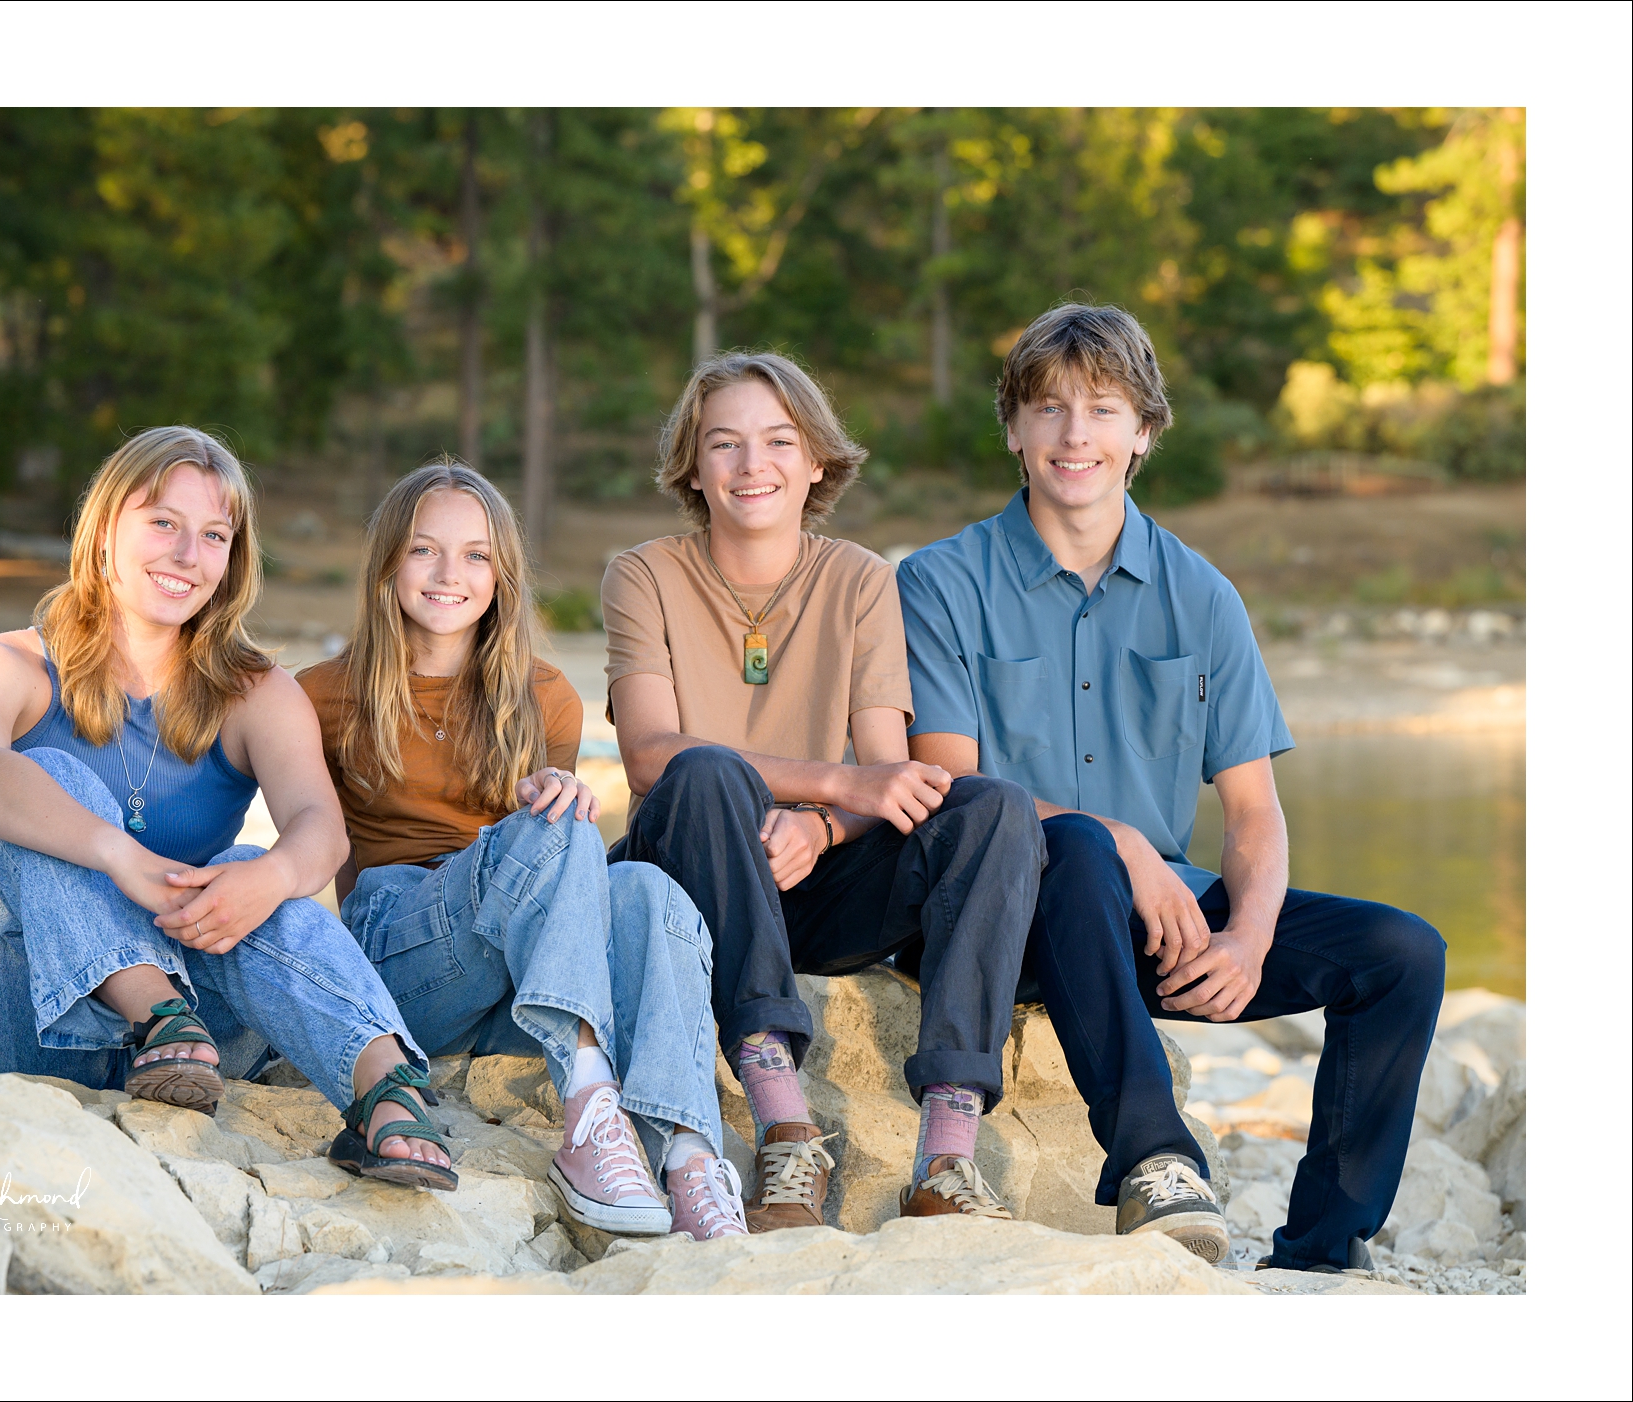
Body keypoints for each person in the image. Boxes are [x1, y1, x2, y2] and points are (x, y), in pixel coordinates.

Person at [897, 302, 1446, 1270]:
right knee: (1071, 846)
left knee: (1399, 949)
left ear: (1142, 431)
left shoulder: (1200, 593)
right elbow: (949, 782)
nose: (1076, 435)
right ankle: (1153, 1155)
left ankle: (1320, 1249)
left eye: (1103, 409)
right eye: (1050, 409)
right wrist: (1120, 841)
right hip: (999, 920)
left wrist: (1247, 936)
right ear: (1013, 429)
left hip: (1156, 925)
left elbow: (1250, 812)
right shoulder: (939, 581)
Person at [0, 426, 455, 1191]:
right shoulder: (8, 663)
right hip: (15, 1012)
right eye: (163, 523)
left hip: (203, 1046)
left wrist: (274, 877)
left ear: (231, 560)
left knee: (249, 868)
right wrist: (117, 855)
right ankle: (154, 1014)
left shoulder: (254, 691)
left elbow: (320, 829)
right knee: (44, 775)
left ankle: (387, 1094)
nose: (187, 554)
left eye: (213, 535)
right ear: (105, 529)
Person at [604, 352, 1045, 1233]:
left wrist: (825, 828)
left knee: (992, 805)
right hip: (691, 876)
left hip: (811, 885)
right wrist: (832, 786)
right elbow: (650, 755)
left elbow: (890, 776)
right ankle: (784, 1126)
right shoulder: (642, 573)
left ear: (816, 460)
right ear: (692, 467)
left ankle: (947, 1154)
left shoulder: (860, 578)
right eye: (722, 444)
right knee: (701, 770)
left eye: (777, 441)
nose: (750, 464)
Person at [300, 461, 746, 1241]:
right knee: (564, 828)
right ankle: (589, 1110)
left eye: (476, 555)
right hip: (401, 960)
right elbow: (306, 856)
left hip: (522, 987)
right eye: (424, 550)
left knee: (648, 889)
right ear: (387, 563)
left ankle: (690, 1160)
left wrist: (547, 802)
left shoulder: (544, 696)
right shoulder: (319, 694)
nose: (450, 575)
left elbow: (562, 890)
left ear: (502, 574)